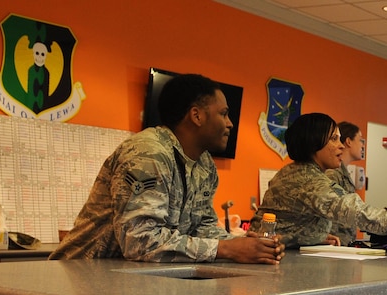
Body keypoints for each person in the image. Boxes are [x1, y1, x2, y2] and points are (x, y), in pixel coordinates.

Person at [50, 74, 284, 264]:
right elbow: (141, 241)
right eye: (223, 114)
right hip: (81, 275)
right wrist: (226, 248)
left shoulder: (204, 164)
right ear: (196, 115)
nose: (230, 123)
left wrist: (253, 248)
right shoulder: (149, 152)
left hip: (127, 278)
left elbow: (201, 227)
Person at [249, 113, 387, 248]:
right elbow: (361, 214)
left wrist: (315, 237)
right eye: (333, 139)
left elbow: (290, 226)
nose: (341, 146)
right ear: (314, 142)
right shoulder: (308, 181)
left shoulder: (295, 171)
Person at [326, 121, 365, 245]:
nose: (362, 146)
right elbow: (329, 211)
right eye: (360, 140)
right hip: (335, 245)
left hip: (344, 244)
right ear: (348, 141)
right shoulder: (333, 173)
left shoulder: (343, 173)